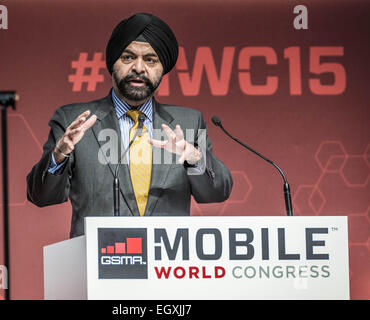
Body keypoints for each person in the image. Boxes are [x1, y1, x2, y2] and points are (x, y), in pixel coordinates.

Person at [27, 13, 233, 238]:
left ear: (162, 69)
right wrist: (59, 155)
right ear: (112, 64)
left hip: (166, 264)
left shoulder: (186, 123)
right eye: (127, 57)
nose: (139, 67)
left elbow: (216, 193)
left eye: (151, 60)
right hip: (99, 262)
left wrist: (194, 158)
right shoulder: (75, 120)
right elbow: (41, 196)